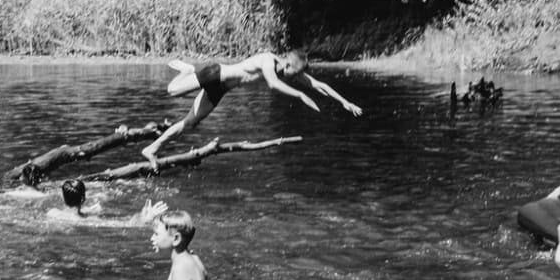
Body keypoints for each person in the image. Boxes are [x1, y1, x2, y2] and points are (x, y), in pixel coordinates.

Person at [141, 51, 362, 170]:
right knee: (172, 91)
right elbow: (273, 83)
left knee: (190, 123)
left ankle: (152, 149)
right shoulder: (267, 60)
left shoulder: (288, 69)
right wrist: (300, 95)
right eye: (294, 75)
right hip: (214, 74)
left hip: (221, 89)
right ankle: (188, 69)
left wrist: (345, 102)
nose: (294, 78)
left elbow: (318, 85)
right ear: (287, 64)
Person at [46, 178, 168, 226]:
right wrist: (144, 218)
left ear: (63, 198)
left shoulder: (52, 213)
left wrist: (89, 210)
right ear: (84, 198)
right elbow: (124, 224)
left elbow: (71, 213)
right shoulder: (89, 219)